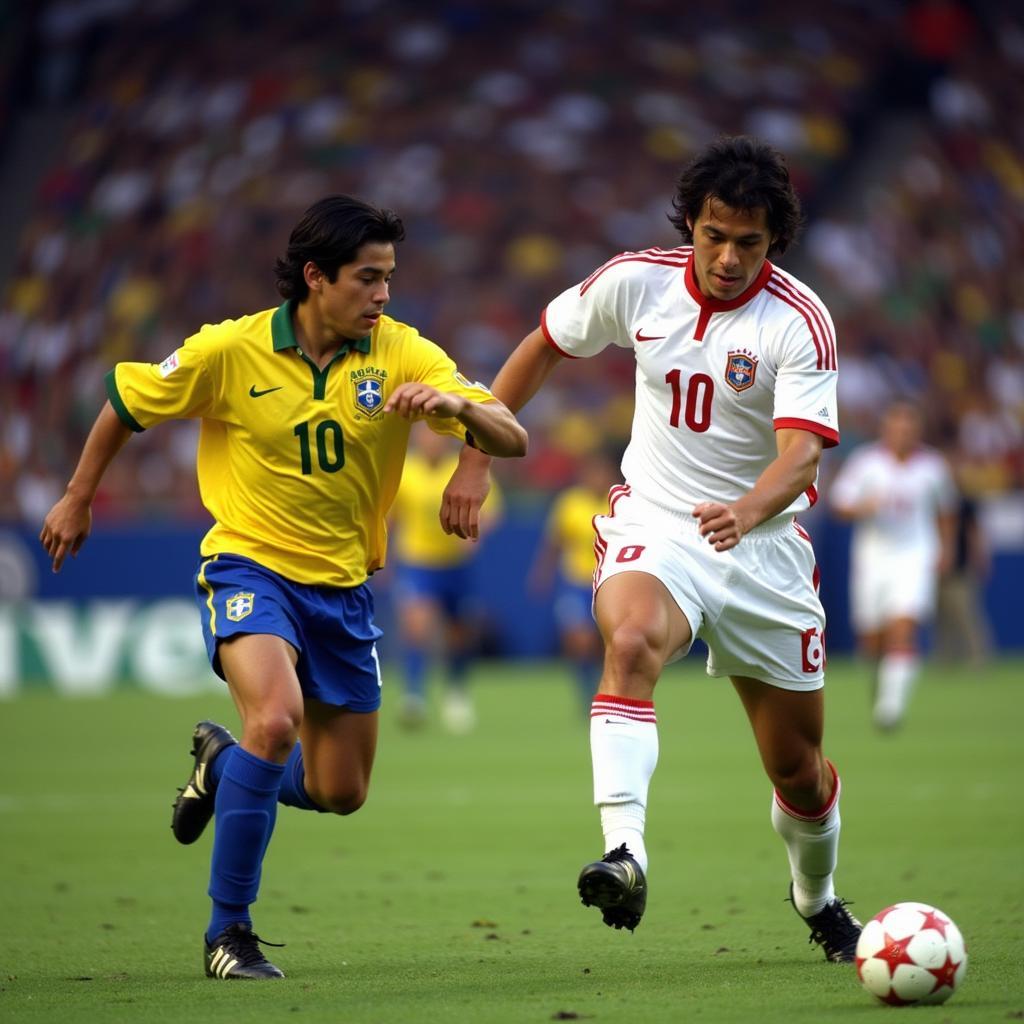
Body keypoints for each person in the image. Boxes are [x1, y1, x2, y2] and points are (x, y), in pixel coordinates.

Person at [38, 195, 527, 980]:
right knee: (276, 721)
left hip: (344, 589)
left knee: (342, 791)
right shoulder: (229, 350)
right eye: (368, 279)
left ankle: (221, 764)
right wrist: (77, 494)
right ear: (315, 278)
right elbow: (126, 405)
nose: (383, 296)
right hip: (250, 566)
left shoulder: (402, 354)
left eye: (390, 278)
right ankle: (228, 933)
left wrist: (454, 407)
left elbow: (515, 435)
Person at [441, 135, 861, 961]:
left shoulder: (799, 321)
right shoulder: (636, 282)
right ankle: (625, 852)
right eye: (715, 235)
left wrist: (744, 512)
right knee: (628, 640)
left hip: (764, 547)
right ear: (691, 226)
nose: (729, 257)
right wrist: (475, 456)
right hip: (659, 523)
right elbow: (540, 346)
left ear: (774, 240)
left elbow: (803, 454)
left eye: (750, 241)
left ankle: (816, 898)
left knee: (799, 774)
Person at [831, 400, 956, 729]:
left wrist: (945, 549)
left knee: (903, 628)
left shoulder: (932, 467)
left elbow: (946, 511)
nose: (903, 433)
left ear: (918, 430)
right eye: (897, 427)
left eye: (909, 427)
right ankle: (883, 686)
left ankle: (890, 709)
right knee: (872, 640)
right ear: (886, 430)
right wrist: (861, 508)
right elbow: (839, 504)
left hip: (915, 555)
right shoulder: (866, 463)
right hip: (873, 559)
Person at [388, 422, 503, 733]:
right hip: (418, 562)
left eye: (437, 436)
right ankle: (414, 696)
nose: (431, 442)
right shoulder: (405, 471)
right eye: (426, 435)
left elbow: (491, 510)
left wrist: (473, 535)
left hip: (455, 565)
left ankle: (456, 691)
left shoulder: (464, 468)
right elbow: (390, 515)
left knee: (459, 634)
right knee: (417, 626)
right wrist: (383, 555)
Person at [529, 445, 621, 715]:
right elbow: (554, 543)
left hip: (610, 582)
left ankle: (611, 693)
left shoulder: (618, 504)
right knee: (578, 641)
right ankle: (587, 698)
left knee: (609, 643)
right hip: (576, 582)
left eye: (601, 472)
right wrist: (542, 575)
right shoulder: (569, 503)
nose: (596, 478)